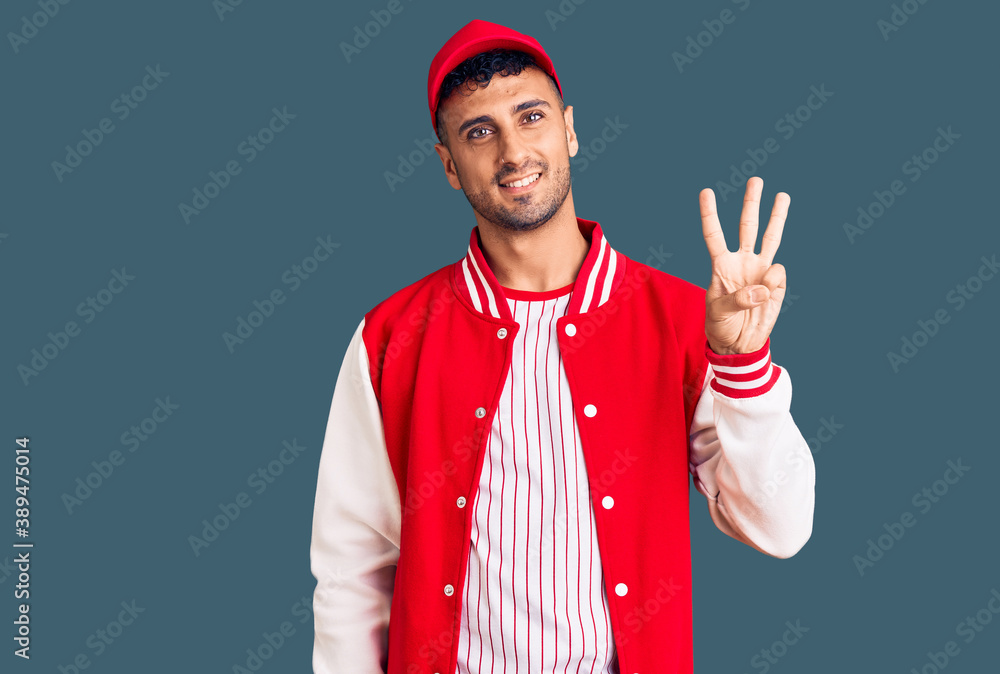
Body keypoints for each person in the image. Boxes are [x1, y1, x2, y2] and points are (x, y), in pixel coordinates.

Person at [310, 18, 815, 674]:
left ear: (570, 128)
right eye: (479, 131)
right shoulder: (390, 337)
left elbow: (781, 528)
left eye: (530, 116)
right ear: (448, 166)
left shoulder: (685, 320)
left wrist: (743, 363)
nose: (513, 152)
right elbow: (353, 571)